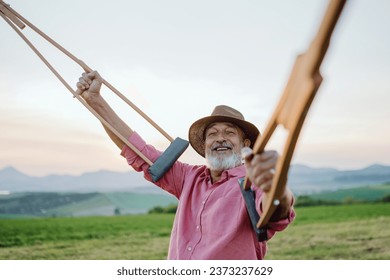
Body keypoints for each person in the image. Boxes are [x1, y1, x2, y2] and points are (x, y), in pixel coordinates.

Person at [76, 71, 295, 260]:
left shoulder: (252, 183)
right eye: (212, 134)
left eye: (229, 132)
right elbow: (138, 151)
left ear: (244, 144)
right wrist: (95, 101)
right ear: (205, 144)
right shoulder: (188, 178)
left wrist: (275, 186)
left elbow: (275, 211)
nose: (220, 138)